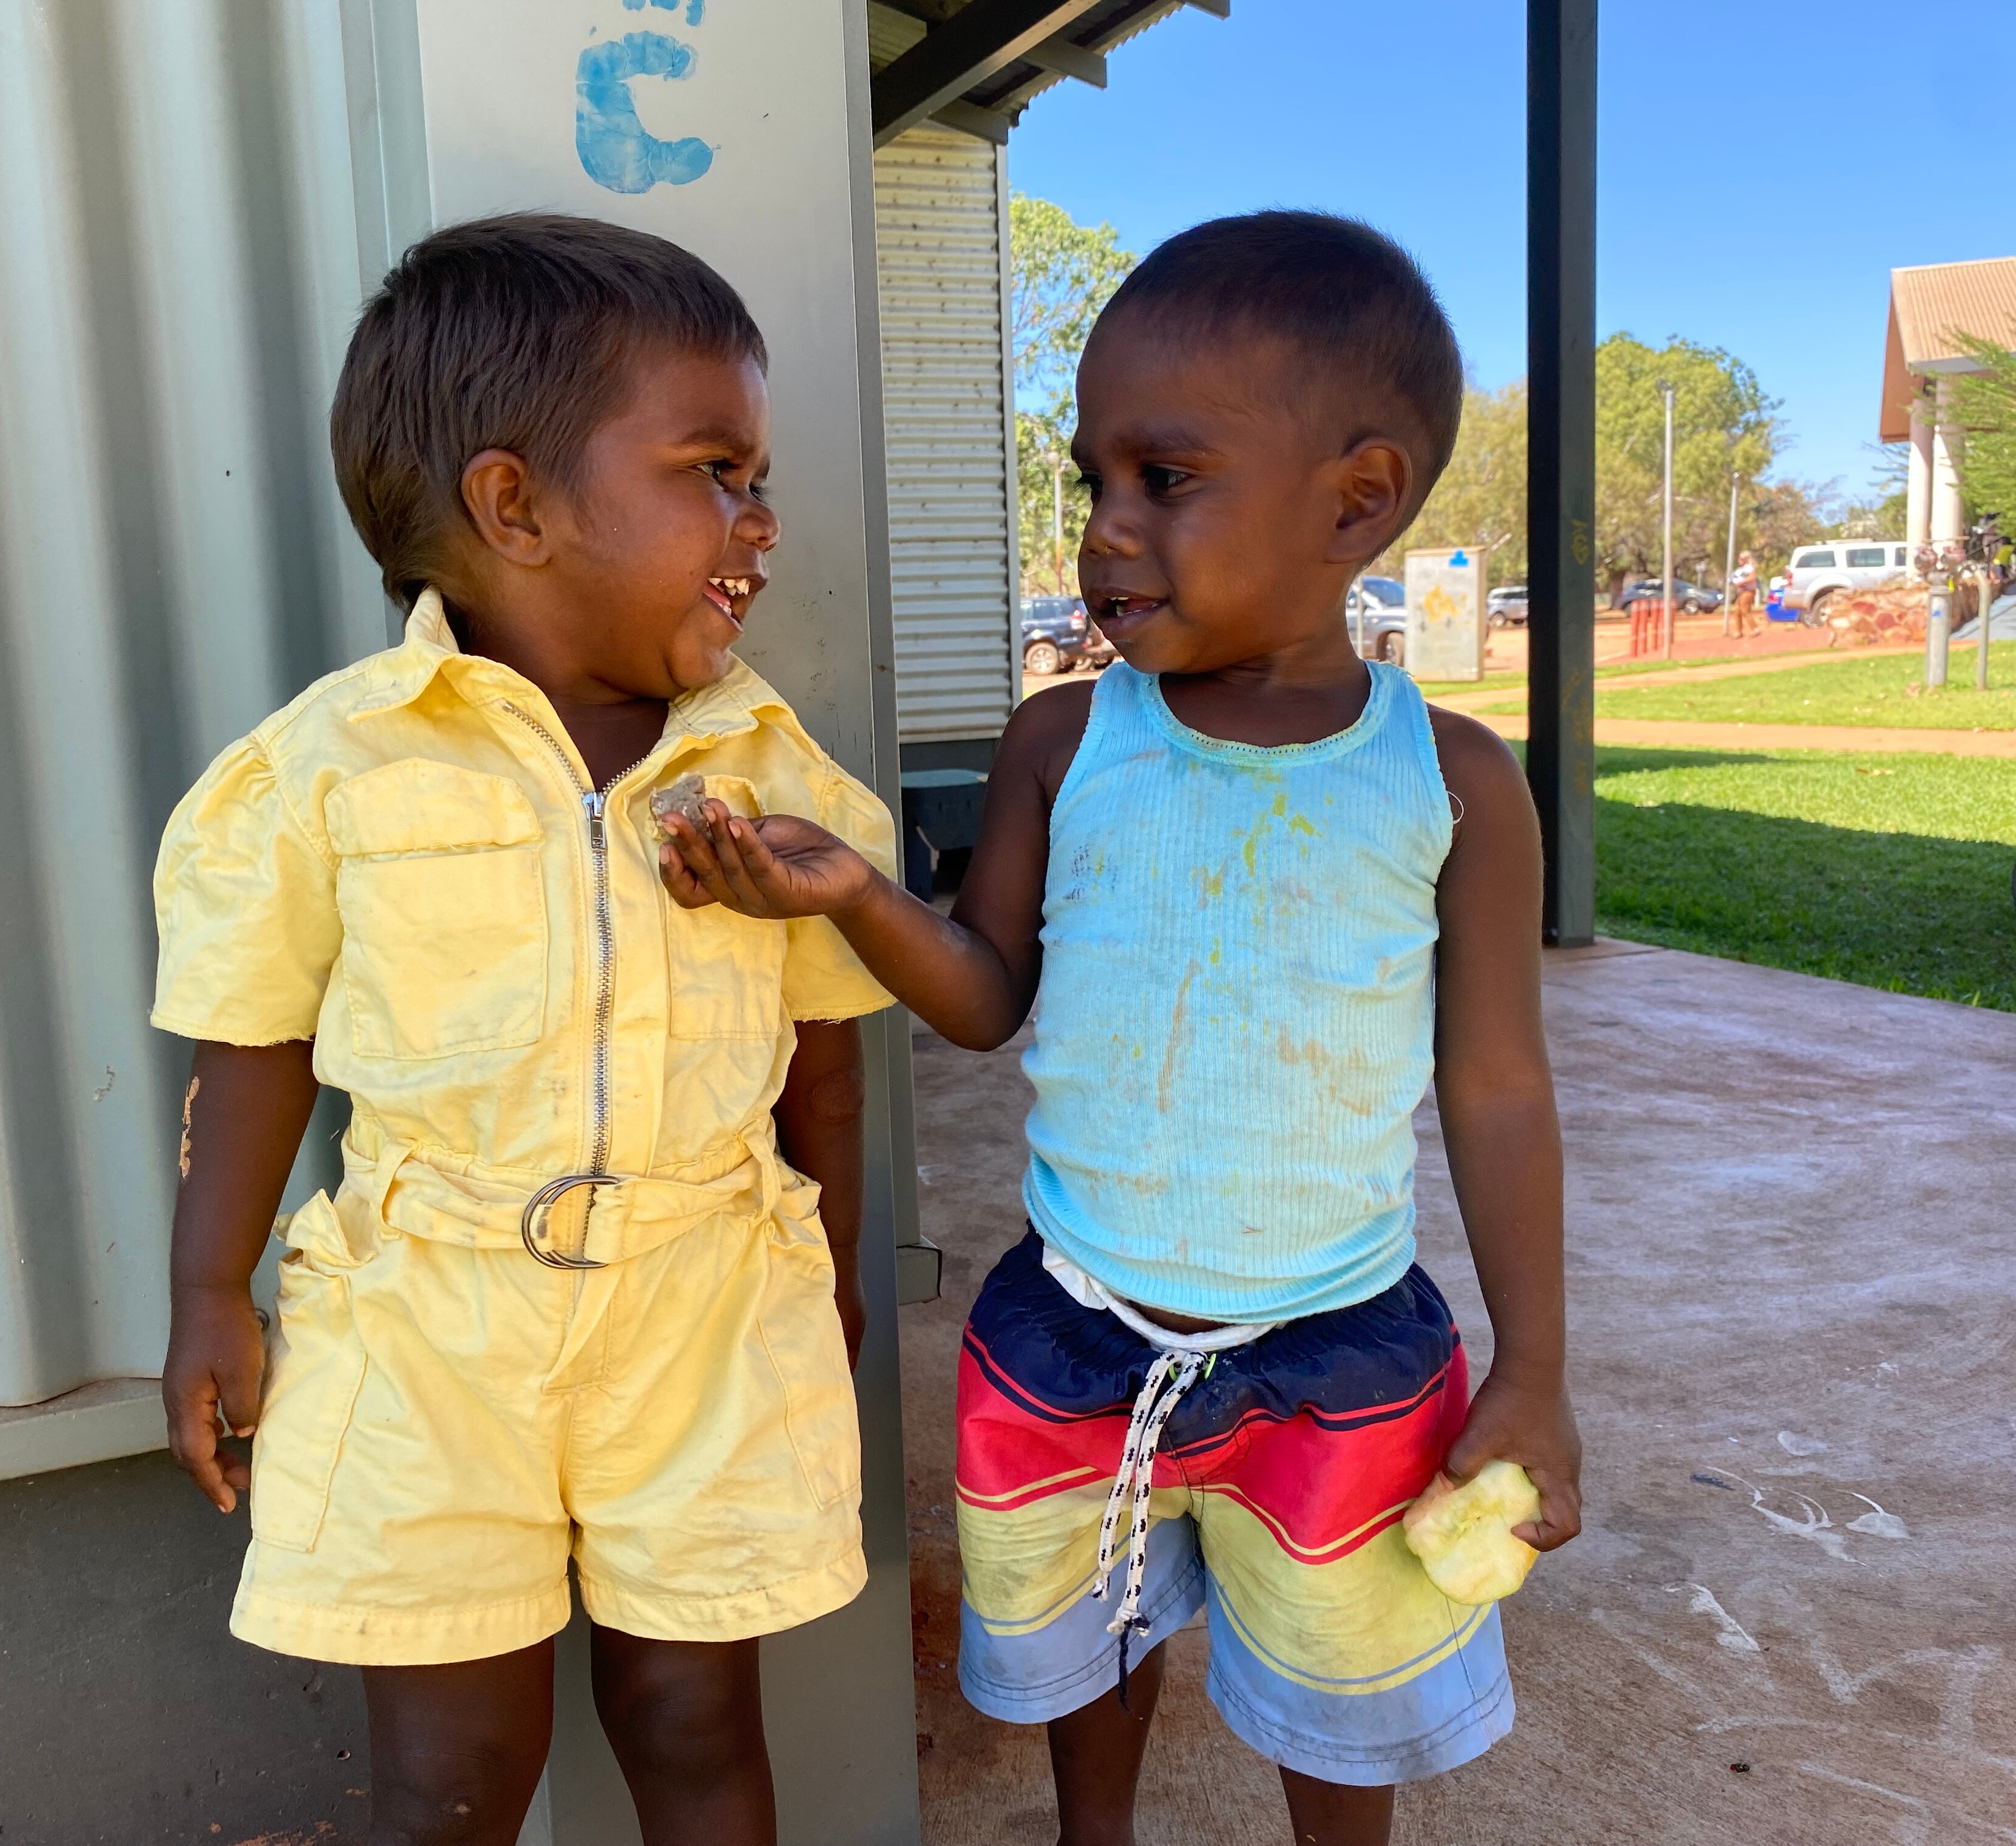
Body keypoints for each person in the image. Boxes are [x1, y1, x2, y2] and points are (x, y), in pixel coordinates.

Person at [655, 211, 1581, 1846]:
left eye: (1167, 479)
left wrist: (1538, 1370)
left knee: (1339, 1708)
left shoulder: (1455, 784)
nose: (1107, 533)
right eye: (1096, 483)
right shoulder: (1060, 742)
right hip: (1071, 1341)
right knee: (1090, 1656)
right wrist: (856, 898)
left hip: (1344, 1355)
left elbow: (1498, 1086)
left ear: (1357, 500)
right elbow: (986, 1000)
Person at [150, 214, 899, 1846]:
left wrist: (831, 1273)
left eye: (756, 473)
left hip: (708, 1313)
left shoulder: (768, 777)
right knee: (447, 1774)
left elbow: (825, 1061)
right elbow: (254, 1041)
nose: (761, 519)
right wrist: (212, 1292)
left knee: (696, 1717)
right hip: (425, 1326)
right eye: (716, 467)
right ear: (515, 505)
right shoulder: (330, 772)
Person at [1728, 549, 1760, 638]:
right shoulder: (1740, 570)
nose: (1740, 560)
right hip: (1742, 593)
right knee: (1737, 612)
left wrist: (1741, 583)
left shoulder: (1749, 568)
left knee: (1745, 610)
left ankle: (1755, 629)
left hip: (1748, 592)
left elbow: (1752, 578)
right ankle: (1739, 632)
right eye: (1740, 558)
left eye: (1742, 558)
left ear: (1746, 559)